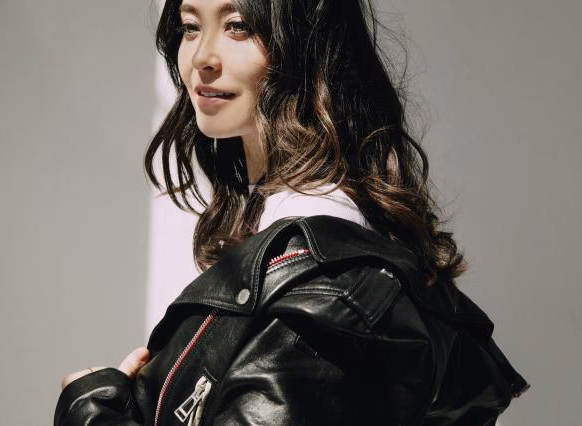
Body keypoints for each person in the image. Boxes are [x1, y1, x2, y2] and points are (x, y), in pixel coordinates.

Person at [55, 0, 530, 424]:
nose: (202, 57)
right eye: (191, 27)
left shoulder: (325, 281)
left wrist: (90, 414)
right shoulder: (280, 236)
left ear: (305, 44)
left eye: (239, 26)